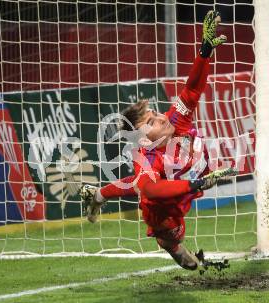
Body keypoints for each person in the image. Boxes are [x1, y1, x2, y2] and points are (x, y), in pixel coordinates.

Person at [80, 10, 228, 270]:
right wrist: (197, 183)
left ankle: (98, 195)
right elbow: (151, 190)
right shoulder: (145, 160)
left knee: (137, 182)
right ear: (143, 141)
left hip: (180, 179)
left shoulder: (176, 118)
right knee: (176, 241)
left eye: (155, 113)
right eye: (150, 123)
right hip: (160, 206)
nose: (160, 118)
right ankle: (170, 245)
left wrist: (205, 51)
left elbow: (192, 88)